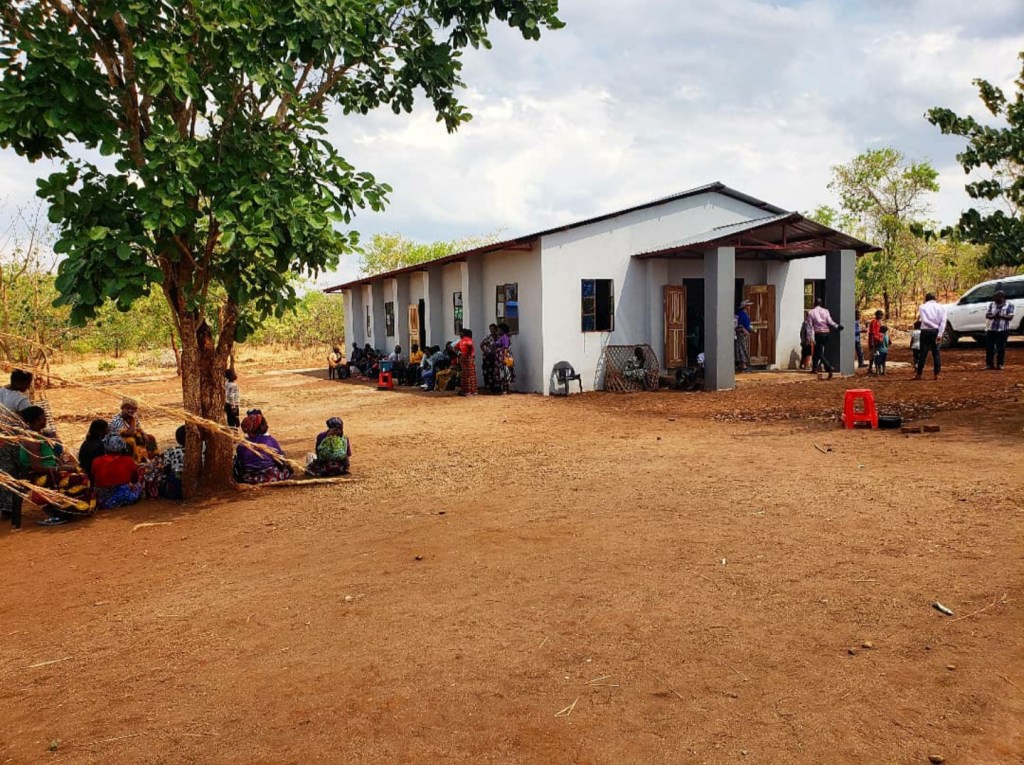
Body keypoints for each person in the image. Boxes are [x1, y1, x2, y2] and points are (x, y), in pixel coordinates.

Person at [19, 406, 95, 524]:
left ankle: (74, 509)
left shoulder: (39, 435)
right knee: (77, 478)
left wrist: (61, 464)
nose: (45, 420)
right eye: (43, 418)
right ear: (38, 420)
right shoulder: (32, 440)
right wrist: (61, 468)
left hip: (50, 471)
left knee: (80, 472)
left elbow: (49, 457)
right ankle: (62, 513)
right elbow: (37, 468)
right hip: (40, 476)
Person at [0, 369, 33, 523]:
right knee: (17, 472)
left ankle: (5, 506)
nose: (28, 386)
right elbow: (31, 419)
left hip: (2, 438)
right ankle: (13, 507)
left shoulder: (1, 391)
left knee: (4, 472)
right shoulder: (20, 399)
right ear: (19, 382)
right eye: (27, 383)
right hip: (14, 440)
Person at [234, 410, 293, 484]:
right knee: (287, 467)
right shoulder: (270, 441)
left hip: (249, 479)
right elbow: (280, 459)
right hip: (270, 478)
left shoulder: (242, 444)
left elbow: (239, 461)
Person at [91, 434, 143, 510]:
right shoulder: (128, 460)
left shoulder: (96, 461)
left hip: (103, 500)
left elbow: (94, 478)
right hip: (125, 496)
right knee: (138, 484)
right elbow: (135, 479)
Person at [807, 298, 842, 379]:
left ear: (814, 304)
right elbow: (830, 321)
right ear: (821, 304)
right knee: (817, 351)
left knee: (819, 353)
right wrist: (837, 326)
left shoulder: (811, 312)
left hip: (819, 334)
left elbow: (809, 326)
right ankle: (814, 368)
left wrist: (809, 337)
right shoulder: (826, 311)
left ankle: (829, 367)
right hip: (826, 333)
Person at [915, 292, 947, 380]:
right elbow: (943, 322)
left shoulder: (922, 307)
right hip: (936, 332)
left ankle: (919, 374)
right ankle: (937, 374)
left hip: (925, 332)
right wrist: (940, 333)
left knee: (923, 353)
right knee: (936, 353)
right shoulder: (942, 307)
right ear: (935, 299)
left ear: (926, 299)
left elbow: (924, 320)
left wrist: (933, 326)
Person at [985, 290, 1015, 370]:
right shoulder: (991, 304)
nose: (994, 299)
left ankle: (1000, 364)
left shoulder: (1010, 305)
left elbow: (1010, 317)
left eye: (996, 297)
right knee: (989, 347)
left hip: (1003, 329)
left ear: (1002, 297)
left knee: (1001, 347)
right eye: (994, 297)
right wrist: (994, 316)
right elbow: (987, 315)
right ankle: (989, 364)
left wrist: (1001, 316)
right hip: (991, 329)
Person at [160, 425, 187, 500]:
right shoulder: (201, 449)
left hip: (176, 490)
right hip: (196, 487)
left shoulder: (171, 451)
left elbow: (166, 469)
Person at [454, 329, 477, 396]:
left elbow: (470, 346)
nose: (460, 334)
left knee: (470, 375)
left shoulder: (468, 339)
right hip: (464, 359)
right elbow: (455, 347)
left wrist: (467, 354)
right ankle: (467, 391)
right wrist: (459, 353)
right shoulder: (461, 341)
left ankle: (471, 391)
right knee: (465, 375)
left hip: (468, 358)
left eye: (461, 333)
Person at [481, 324, 500, 393]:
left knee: (495, 372)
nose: (492, 330)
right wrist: (485, 352)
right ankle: (488, 388)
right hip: (487, 357)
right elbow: (481, 345)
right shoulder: (488, 337)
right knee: (487, 372)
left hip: (496, 357)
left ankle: (496, 388)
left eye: (493, 329)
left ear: (496, 329)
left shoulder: (498, 337)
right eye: (491, 329)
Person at [735, 300, 753, 372]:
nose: (749, 307)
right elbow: (739, 325)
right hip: (741, 334)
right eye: (748, 305)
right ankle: (743, 365)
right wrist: (745, 330)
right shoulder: (741, 314)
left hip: (744, 333)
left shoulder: (745, 314)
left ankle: (741, 365)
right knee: (742, 348)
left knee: (742, 348)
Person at [497, 323, 515, 392]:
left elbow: (506, 348)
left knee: (505, 372)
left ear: (504, 331)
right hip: (501, 357)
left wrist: (504, 357)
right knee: (502, 372)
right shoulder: (501, 338)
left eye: (500, 330)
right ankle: (504, 388)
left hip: (505, 356)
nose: (498, 331)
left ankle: (506, 388)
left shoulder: (505, 338)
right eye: (498, 330)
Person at [867, 310, 884, 375]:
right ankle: (870, 368)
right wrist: (871, 342)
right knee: (872, 355)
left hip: (878, 341)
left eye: (881, 315)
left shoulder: (879, 322)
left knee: (877, 354)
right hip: (873, 341)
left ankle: (877, 369)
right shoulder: (873, 322)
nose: (881, 316)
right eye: (880, 315)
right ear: (876, 315)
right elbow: (872, 333)